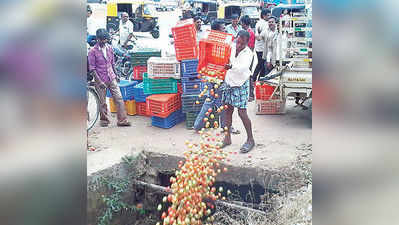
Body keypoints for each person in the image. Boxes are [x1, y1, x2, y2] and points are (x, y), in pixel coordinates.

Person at [194, 19, 240, 135]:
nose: (225, 30)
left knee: (211, 100)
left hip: (210, 74)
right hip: (218, 75)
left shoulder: (208, 39)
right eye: (223, 28)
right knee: (221, 101)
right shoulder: (221, 43)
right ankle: (226, 127)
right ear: (217, 31)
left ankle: (198, 125)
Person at [88, 29, 131, 127]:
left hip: (111, 77)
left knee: (119, 98)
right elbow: (92, 69)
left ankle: (122, 121)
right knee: (102, 102)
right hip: (100, 79)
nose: (104, 41)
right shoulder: (92, 52)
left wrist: (116, 75)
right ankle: (104, 120)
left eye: (105, 40)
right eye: (102, 40)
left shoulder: (110, 48)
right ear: (97, 39)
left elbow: (112, 63)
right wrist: (99, 82)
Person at [222, 30, 255, 153]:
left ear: (247, 43)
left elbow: (242, 68)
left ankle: (250, 140)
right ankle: (227, 137)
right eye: (238, 42)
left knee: (242, 113)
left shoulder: (248, 53)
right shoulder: (231, 47)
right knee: (228, 110)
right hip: (229, 82)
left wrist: (230, 66)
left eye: (242, 44)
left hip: (241, 83)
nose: (239, 45)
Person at [253, 9, 270, 81]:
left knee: (261, 65)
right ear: (264, 15)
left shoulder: (259, 23)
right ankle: (254, 78)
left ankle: (258, 79)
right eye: (268, 15)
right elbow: (259, 37)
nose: (269, 16)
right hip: (262, 48)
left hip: (259, 47)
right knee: (261, 64)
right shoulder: (264, 24)